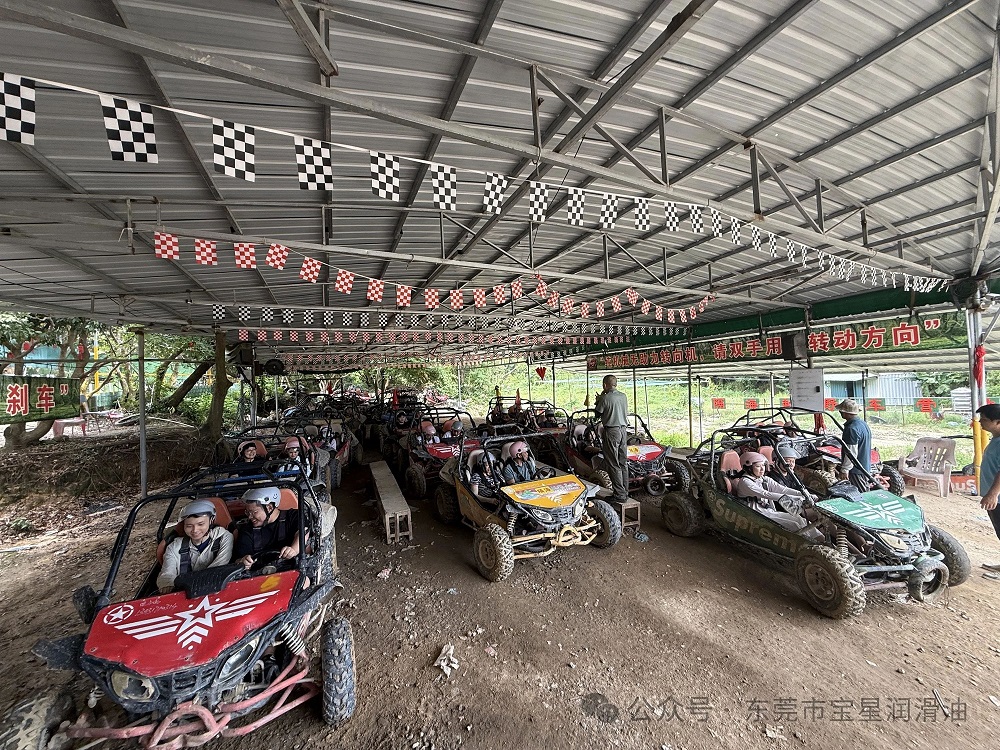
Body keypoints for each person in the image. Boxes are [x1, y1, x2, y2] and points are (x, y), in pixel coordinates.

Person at [734, 452, 822, 540]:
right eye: (758, 466)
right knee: (793, 525)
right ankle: (809, 543)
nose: (762, 469)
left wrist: (805, 494)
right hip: (755, 514)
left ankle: (821, 539)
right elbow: (765, 494)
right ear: (748, 468)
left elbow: (783, 490)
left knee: (799, 519)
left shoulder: (764, 479)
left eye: (763, 465)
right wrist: (793, 498)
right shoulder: (745, 482)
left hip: (768, 511)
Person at [157, 500, 234, 593]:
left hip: (217, 587)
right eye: (189, 526)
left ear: (211, 521)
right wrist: (167, 584)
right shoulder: (174, 546)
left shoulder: (224, 537)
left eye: (200, 524)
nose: (195, 530)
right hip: (185, 592)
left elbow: (220, 566)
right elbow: (167, 573)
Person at [233, 486, 300, 569]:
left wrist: (294, 550)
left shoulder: (293, 516)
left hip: (292, 568)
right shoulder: (247, 530)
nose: (250, 517)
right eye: (248, 512)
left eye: (254, 512)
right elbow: (238, 558)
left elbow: (302, 533)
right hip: (259, 573)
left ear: (269, 508)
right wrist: (243, 561)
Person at [594, 374, 629, 503]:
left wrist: (598, 400)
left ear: (604, 385)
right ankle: (625, 491)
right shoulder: (623, 396)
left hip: (612, 431)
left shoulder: (605, 398)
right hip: (623, 430)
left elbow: (597, 414)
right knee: (622, 462)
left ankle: (619, 494)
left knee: (613, 463)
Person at [976, 404, 1000, 571]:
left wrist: (993, 494)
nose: (980, 422)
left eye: (984, 419)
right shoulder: (995, 440)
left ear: (998, 422)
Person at [836, 399, 873, 491]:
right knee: (864, 490)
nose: (840, 412)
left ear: (846, 413)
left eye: (841, 411)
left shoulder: (851, 429)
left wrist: (844, 469)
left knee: (860, 494)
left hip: (857, 470)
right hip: (864, 466)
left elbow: (851, 452)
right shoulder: (862, 424)